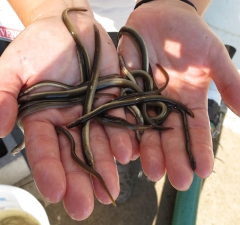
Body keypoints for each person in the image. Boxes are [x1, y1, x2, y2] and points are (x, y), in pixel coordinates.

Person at [0, 0, 239, 221]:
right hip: (29, 19)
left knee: (115, 124)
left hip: (138, 25)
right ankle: (124, 152)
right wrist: (46, 8)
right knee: (92, 132)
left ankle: (124, 153)